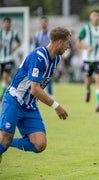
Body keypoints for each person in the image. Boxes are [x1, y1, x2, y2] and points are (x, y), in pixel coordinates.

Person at [0, 27, 70, 163]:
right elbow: (35, 90)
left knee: (39, 144)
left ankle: (5, 141)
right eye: (67, 42)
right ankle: (4, 141)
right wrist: (56, 106)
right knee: (4, 142)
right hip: (14, 100)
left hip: (30, 106)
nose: (68, 46)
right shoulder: (38, 57)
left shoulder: (56, 59)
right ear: (60, 43)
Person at [0, 17, 21, 100]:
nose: (6, 24)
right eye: (5, 23)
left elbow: (19, 42)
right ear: (3, 24)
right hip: (1, 58)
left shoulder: (14, 33)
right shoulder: (0, 33)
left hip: (9, 58)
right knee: (5, 78)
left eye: (8, 23)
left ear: (10, 24)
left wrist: (15, 47)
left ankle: (2, 95)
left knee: (5, 76)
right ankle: (12, 87)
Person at [33, 16, 54, 98]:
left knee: (49, 75)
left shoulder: (51, 34)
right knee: (39, 75)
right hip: (40, 58)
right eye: (42, 22)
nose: (43, 23)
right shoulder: (37, 34)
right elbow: (35, 46)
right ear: (40, 23)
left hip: (50, 58)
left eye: (45, 22)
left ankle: (50, 94)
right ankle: (38, 92)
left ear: (47, 23)